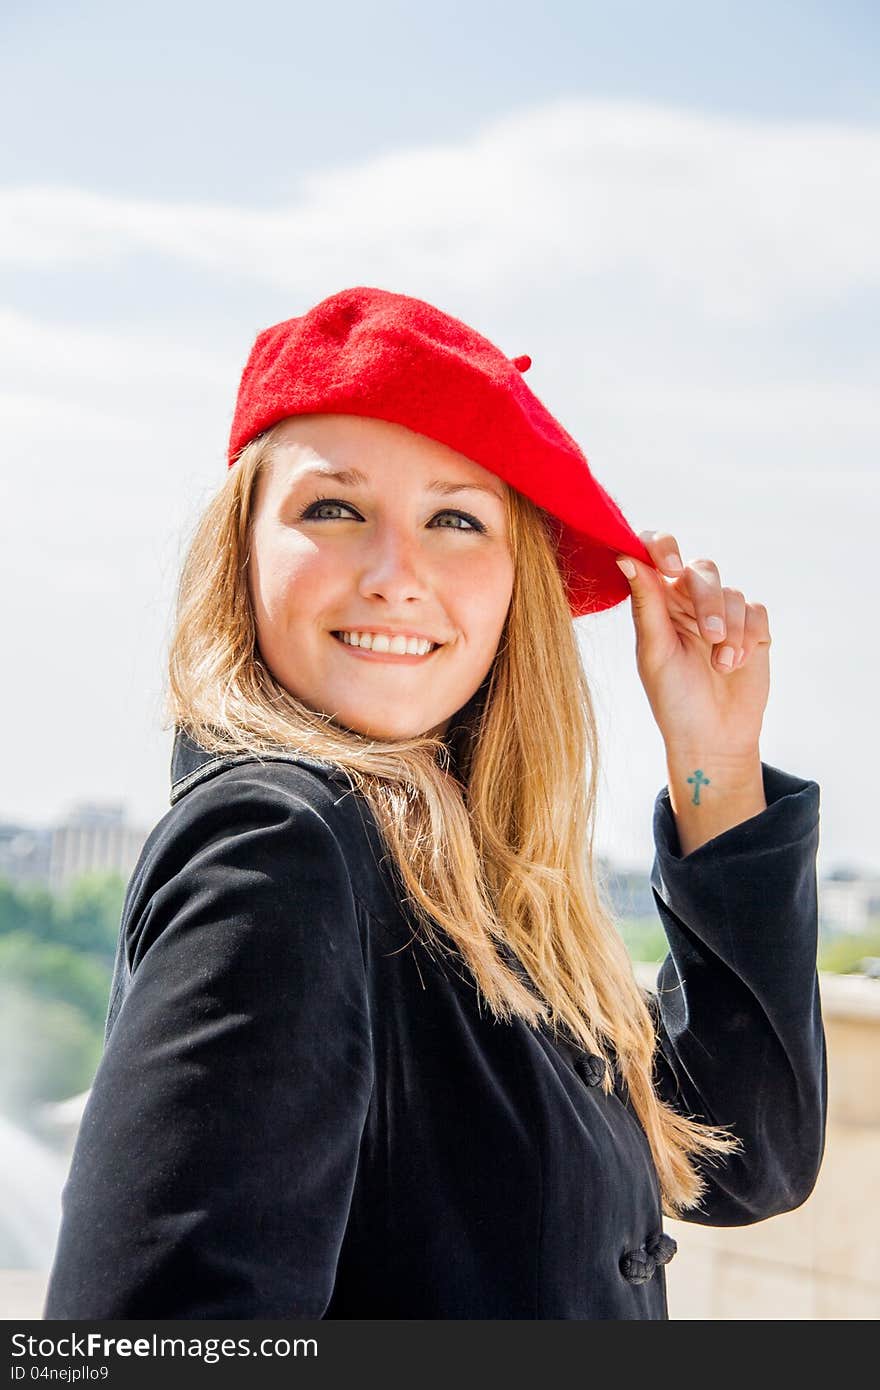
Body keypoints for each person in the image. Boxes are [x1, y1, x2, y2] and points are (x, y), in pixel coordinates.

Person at [42, 286, 826, 1320]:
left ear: (516, 587)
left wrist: (714, 762)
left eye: (455, 518)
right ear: (241, 555)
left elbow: (743, 1155)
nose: (395, 573)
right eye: (334, 508)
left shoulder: (469, 875)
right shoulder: (279, 847)